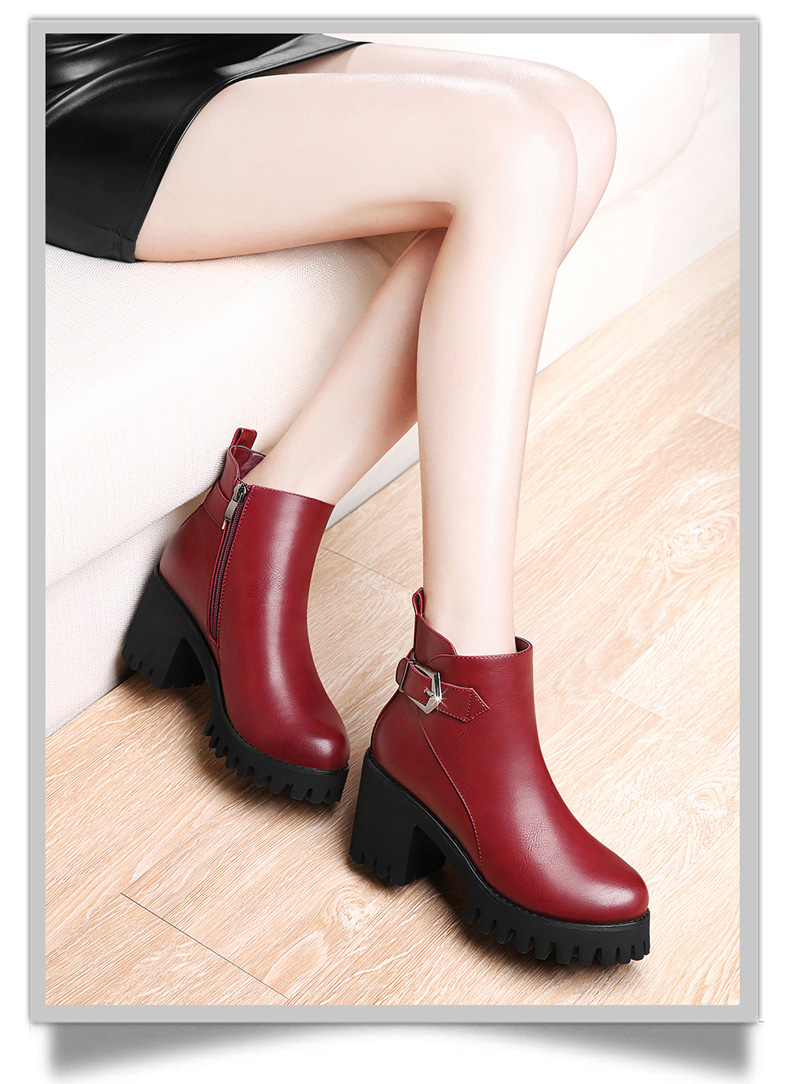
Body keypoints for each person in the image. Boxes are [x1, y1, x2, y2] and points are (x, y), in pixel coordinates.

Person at [47, 31, 650, 967]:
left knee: (579, 121)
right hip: (73, 87)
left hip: (232, 44)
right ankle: (461, 691)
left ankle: (255, 526)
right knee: (517, 149)